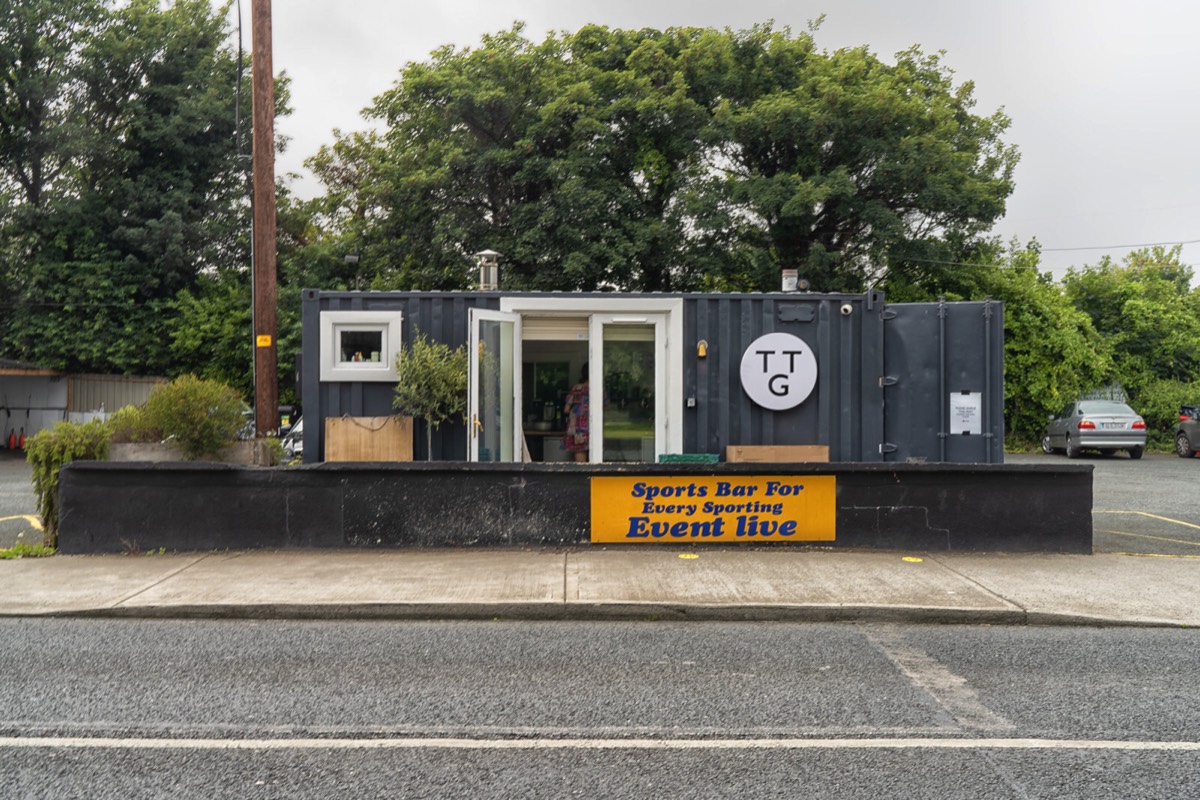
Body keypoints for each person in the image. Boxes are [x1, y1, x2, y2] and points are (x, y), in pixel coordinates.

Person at [563, 365, 589, 462]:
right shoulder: (598, 389)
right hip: (595, 427)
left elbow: (566, 409)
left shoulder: (577, 389)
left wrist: (577, 412)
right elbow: (607, 407)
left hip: (578, 428)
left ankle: (582, 477)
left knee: (580, 455)